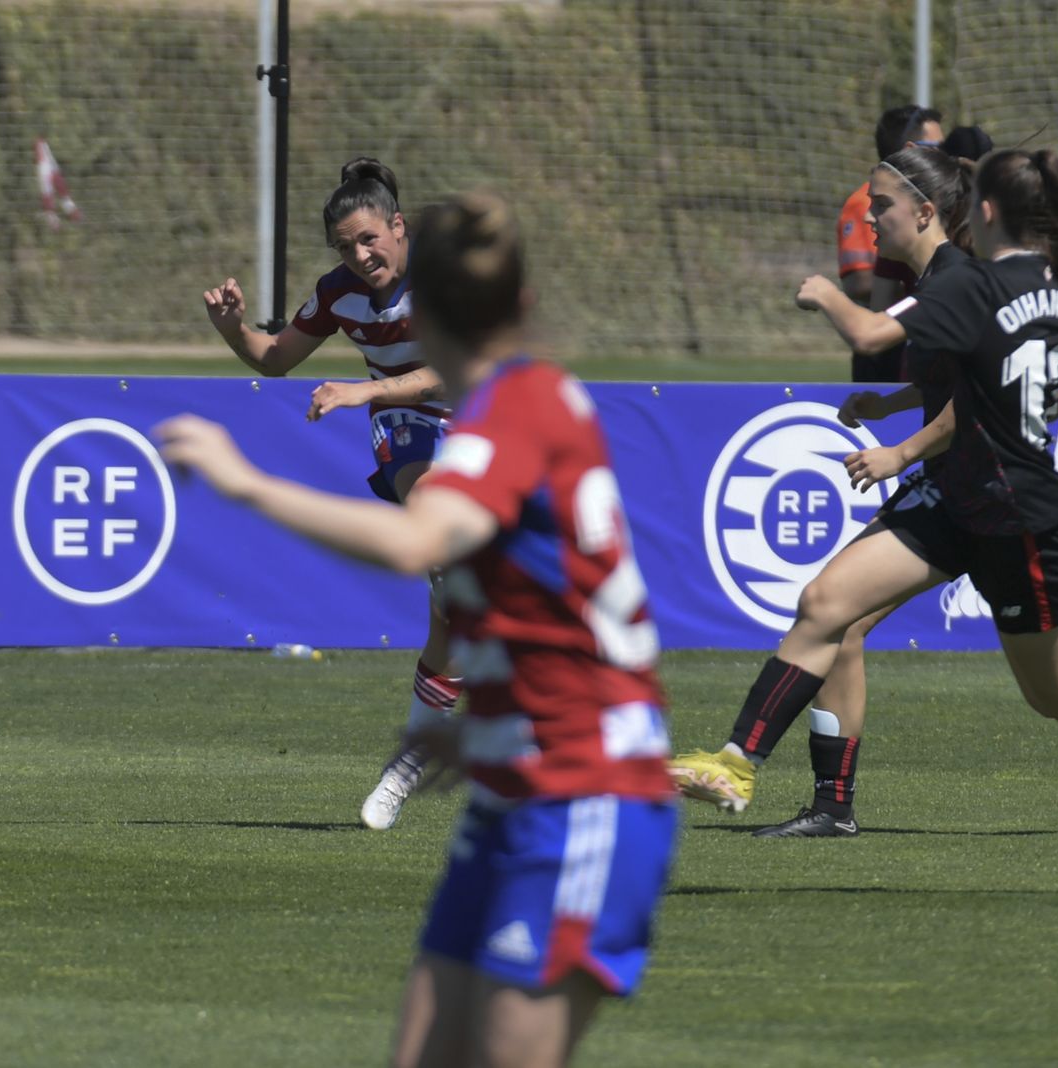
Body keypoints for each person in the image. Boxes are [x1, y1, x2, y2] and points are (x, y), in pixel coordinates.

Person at [161, 191, 678, 1066]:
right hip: (512, 782)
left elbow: (418, 540)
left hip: (586, 789)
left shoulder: (515, 411)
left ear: (428, 311)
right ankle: (434, 719)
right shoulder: (528, 400)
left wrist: (245, 483)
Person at [676, 148, 1058, 888]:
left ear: (981, 212)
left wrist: (826, 297)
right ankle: (736, 765)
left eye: (882, 204)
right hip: (964, 501)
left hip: (1018, 517)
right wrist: (1039, 402)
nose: (870, 216)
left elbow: (872, 338)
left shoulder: (975, 285)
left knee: (1056, 694)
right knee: (828, 605)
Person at [202, 158, 460, 830]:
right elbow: (277, 359)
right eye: (346, 246)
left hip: (487, 423)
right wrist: (233, 328)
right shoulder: (338, 294)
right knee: (450, 560)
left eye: (370, 238)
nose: (360, 254)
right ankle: (410, 766)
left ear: (399, 226)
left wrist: (366, 388)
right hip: (409, 428)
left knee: (467, 610)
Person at [837, 105, 944, 382]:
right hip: (887, 349)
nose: (873, 217)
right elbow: (858, 281)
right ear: (910, 148)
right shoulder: (863, 203)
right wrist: (915, 292)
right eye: (936, 145)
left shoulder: (945, 203)